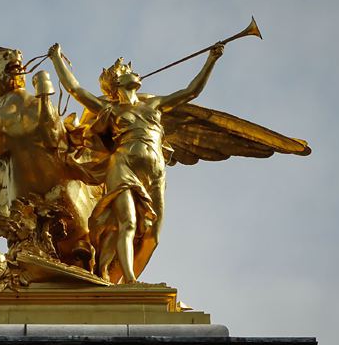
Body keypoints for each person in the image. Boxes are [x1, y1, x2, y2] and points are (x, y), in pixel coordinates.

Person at [48, 41, 224, 283]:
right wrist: (56, 58)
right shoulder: (108, 109)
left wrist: (211, 60)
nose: (135, 73)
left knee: (153, 233)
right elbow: (75, 89)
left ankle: (118, 277)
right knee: (127, 224)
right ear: (118, 83)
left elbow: (191, 91)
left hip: (156, 173)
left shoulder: (153, 104)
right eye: (128, 71)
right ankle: (130, 282)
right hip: (123, 167)